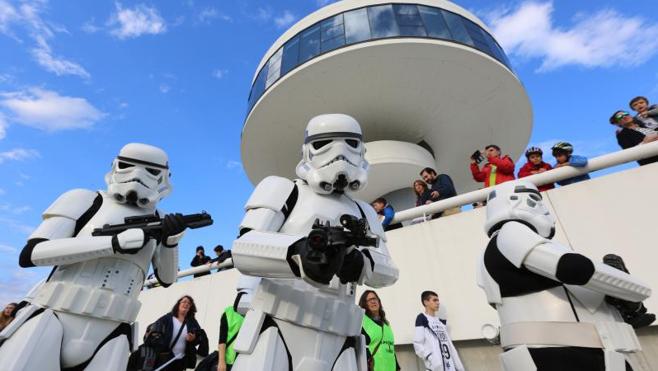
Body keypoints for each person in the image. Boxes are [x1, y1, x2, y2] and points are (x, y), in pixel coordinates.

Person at [230, 113, 399, 371]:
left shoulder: (363, 211)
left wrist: (360, 264)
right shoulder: (285, 190)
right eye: (325, 144)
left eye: (349, 144)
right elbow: (243, 249)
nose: (339, 154)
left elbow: (389, 270)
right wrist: (298, 254)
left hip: (341, 339)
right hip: (278, 327)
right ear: (308, 150)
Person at [0, 143, 190, 371]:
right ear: (115, 165)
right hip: (55, 315)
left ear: (164, 178)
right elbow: (32, 254)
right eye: (128, 165)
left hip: (113, 331)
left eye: (150, 170)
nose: (137, 176)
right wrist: (111, 244)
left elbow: (167, 279)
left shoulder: (160, 218)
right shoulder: (86, 199)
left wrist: (170, 242)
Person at [477, 180, 651, 370]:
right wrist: (633, 289)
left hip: (579, 352)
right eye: (536, 199)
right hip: (563, 353)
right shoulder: (511, 232)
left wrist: (613, 300)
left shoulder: (500, 247)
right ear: (519, 201)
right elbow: (575, 268)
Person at [151, 295, 208, 371]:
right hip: (165, 358)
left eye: (189, 303)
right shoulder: (167, 318)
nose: (186, 304)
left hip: (181, 360)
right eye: (184, 301)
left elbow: (198, 338)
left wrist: (193, 338)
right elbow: (153, 331)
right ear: (178, 304)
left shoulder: (192, 322)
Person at [413, 291, 464, 371]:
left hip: (450, 367)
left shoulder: (442, 323)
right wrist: (431, 358)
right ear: (426, 302)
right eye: (434, 300)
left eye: (438, 300)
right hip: (436, 368)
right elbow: (418, 344)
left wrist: (459, 367)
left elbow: (450, 346)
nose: (438, 303)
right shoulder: (422, 319)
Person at [358, 290, 399, 371]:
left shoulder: (386, 324)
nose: (373, 301)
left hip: (391, 368)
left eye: (375, 298)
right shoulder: (362, 322)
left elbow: (391, 348)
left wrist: (397, 367)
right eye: (369, 300)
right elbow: (359, 349)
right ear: (364, 304)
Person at [217, 293, 247, 371]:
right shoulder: (229, 312)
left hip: (244, 361)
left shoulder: (254, 314)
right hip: (228, 361)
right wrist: (221, 361)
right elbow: (222, 339)